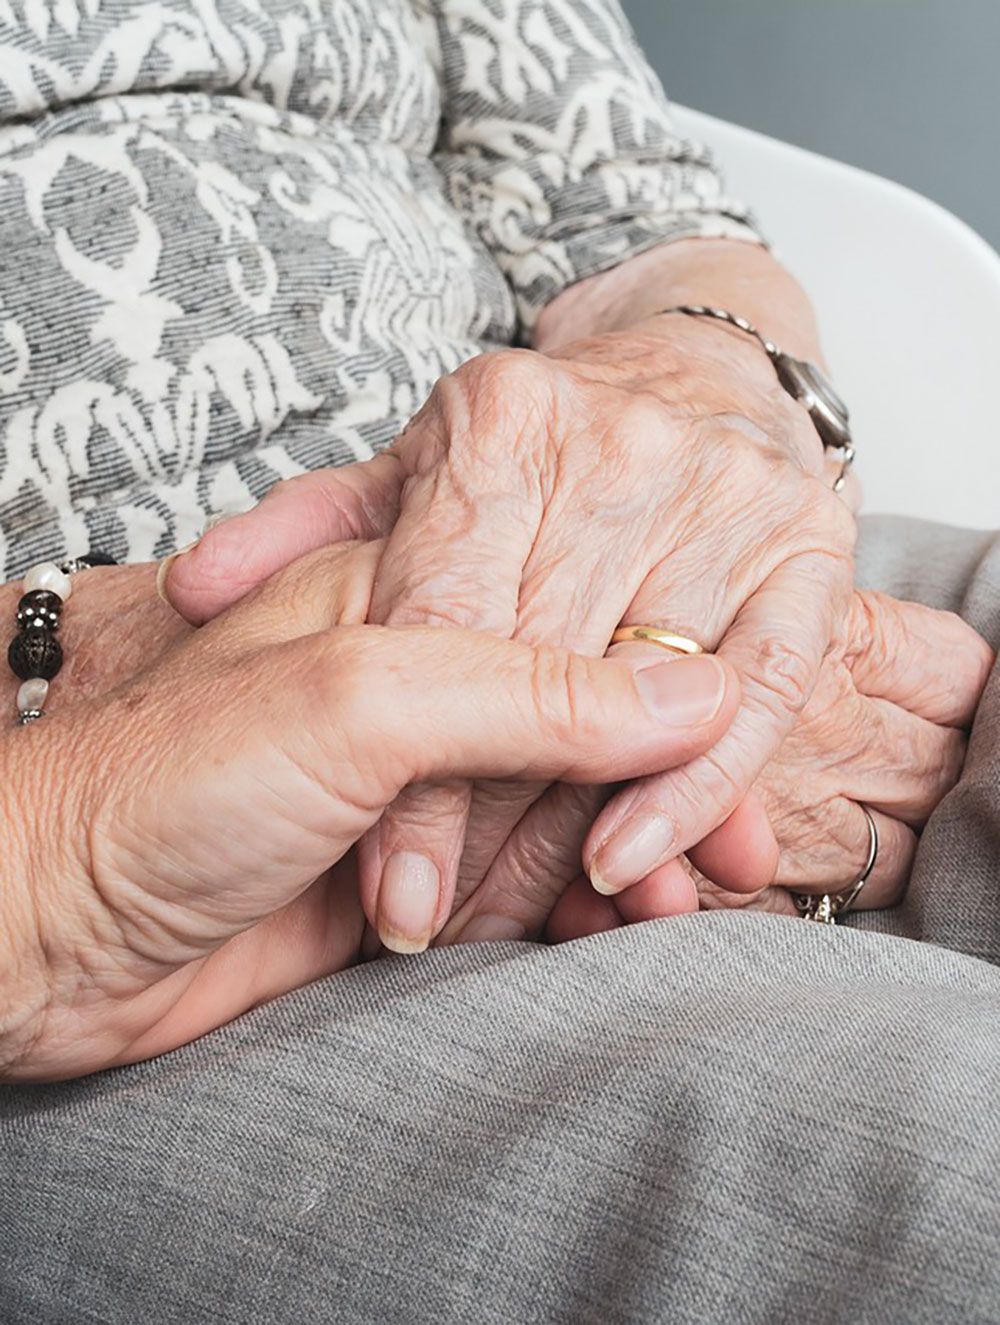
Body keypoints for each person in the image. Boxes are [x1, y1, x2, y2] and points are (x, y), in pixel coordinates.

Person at [0, 2, 998, 1321]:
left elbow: (647, 220)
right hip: (111, 884)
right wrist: (77, 672)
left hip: (624, 554)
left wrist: (682, 418)